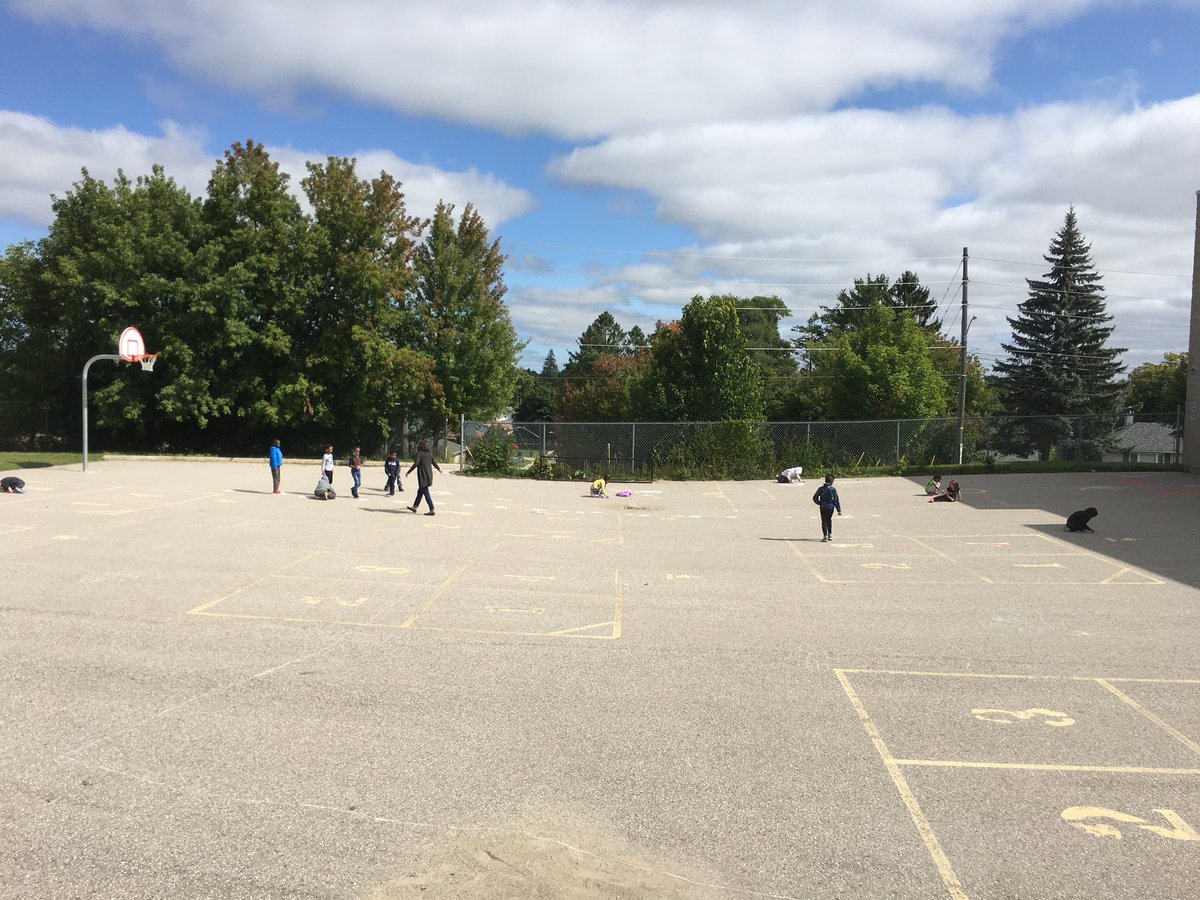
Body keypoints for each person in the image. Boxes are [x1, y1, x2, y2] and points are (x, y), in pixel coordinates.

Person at [406, 440, 441, 516]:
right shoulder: (430, 454)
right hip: (429, 476)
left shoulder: (420, 454)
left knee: (426, 493)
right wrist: (439, 469)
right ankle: (415, 507)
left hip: (423, 476)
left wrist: (408, 472)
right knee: (420, 492)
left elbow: (416, 464)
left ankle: (431, 509)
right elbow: (434, 463)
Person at [813, 474, 842, 542]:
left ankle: (825, 536)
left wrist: (819, 503)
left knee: (824, 521)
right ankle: (830, 534)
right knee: (829, 520)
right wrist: (839, 509)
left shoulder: (821, 489)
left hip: (823, 507)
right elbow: (836, 500)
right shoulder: (833, 489)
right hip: (831, 507)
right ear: (832, 481)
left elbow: (815, 498)